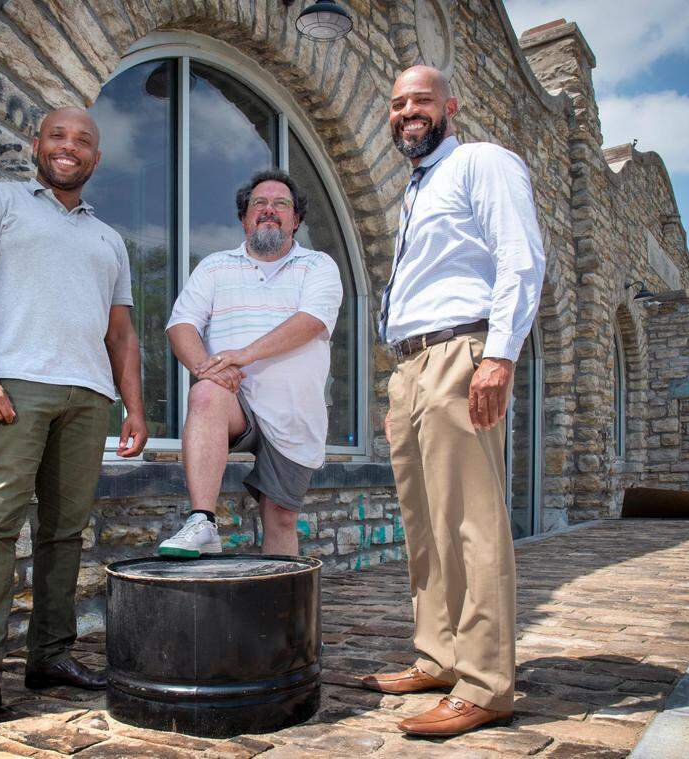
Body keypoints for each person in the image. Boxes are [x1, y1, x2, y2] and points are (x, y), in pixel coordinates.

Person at [0, 107, 148, 739]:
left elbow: (121, 332)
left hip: (89, 396)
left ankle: (51, 656)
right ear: (37, 145)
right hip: (15, 387)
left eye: (83, 141)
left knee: (65, 532)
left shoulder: (109, 239)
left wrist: (134, 405)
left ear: (95, 158)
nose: (70, 147)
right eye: (58, 136)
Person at [360, 66, 546, 738]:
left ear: (450, 106)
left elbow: (521, 257)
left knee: (471, 521)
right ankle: (439, 655)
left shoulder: (480, 162)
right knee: (425, 524)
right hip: (414, 365)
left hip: (461, 352)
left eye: (421, 100)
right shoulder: (417, 188)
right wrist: (399, 378)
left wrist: (498, 354)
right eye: (398, 101)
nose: (408, 110)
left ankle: (487, 682)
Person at [159, 169, 343, 558]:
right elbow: (181, 325)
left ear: (296, 219)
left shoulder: (318, 266)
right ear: (244, 217)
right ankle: (202, 522)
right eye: (259, 203)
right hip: (235, 401)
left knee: (280, 518)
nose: (269, 210)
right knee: (206, 393)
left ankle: (281, 613)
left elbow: (310, 322)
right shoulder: (214, 266)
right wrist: (207, 366)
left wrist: (243, 354)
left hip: (294, 413)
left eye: (281, 204)